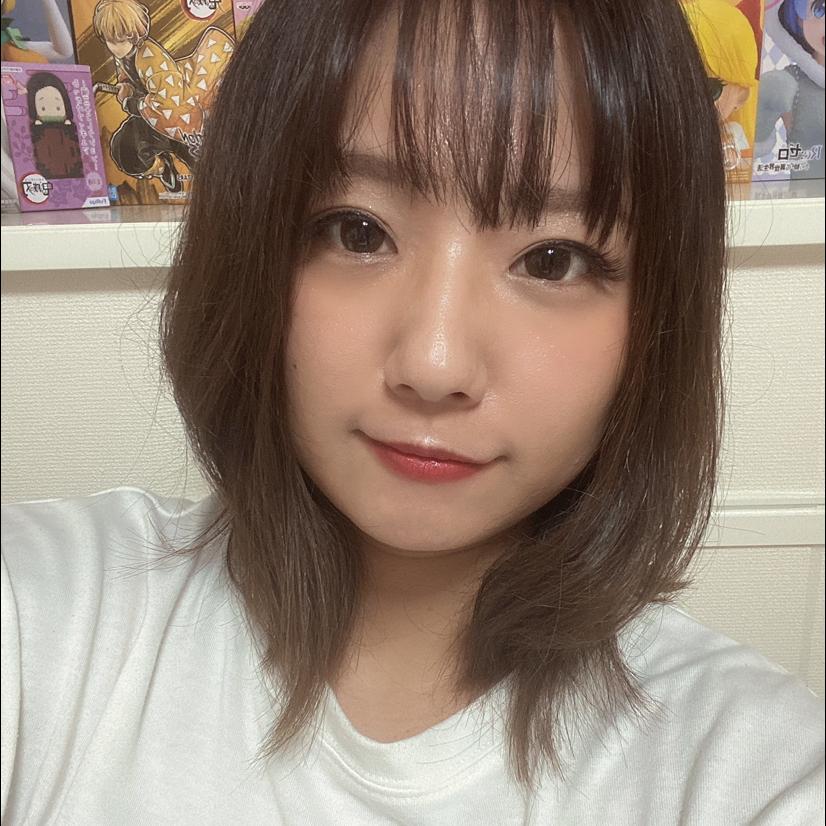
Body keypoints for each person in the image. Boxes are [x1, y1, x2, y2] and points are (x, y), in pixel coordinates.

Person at [1, 1, 824, 823]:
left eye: (553, 260)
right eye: (357, 232)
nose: (435, 364)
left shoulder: (747, 769)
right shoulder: (51, 616)